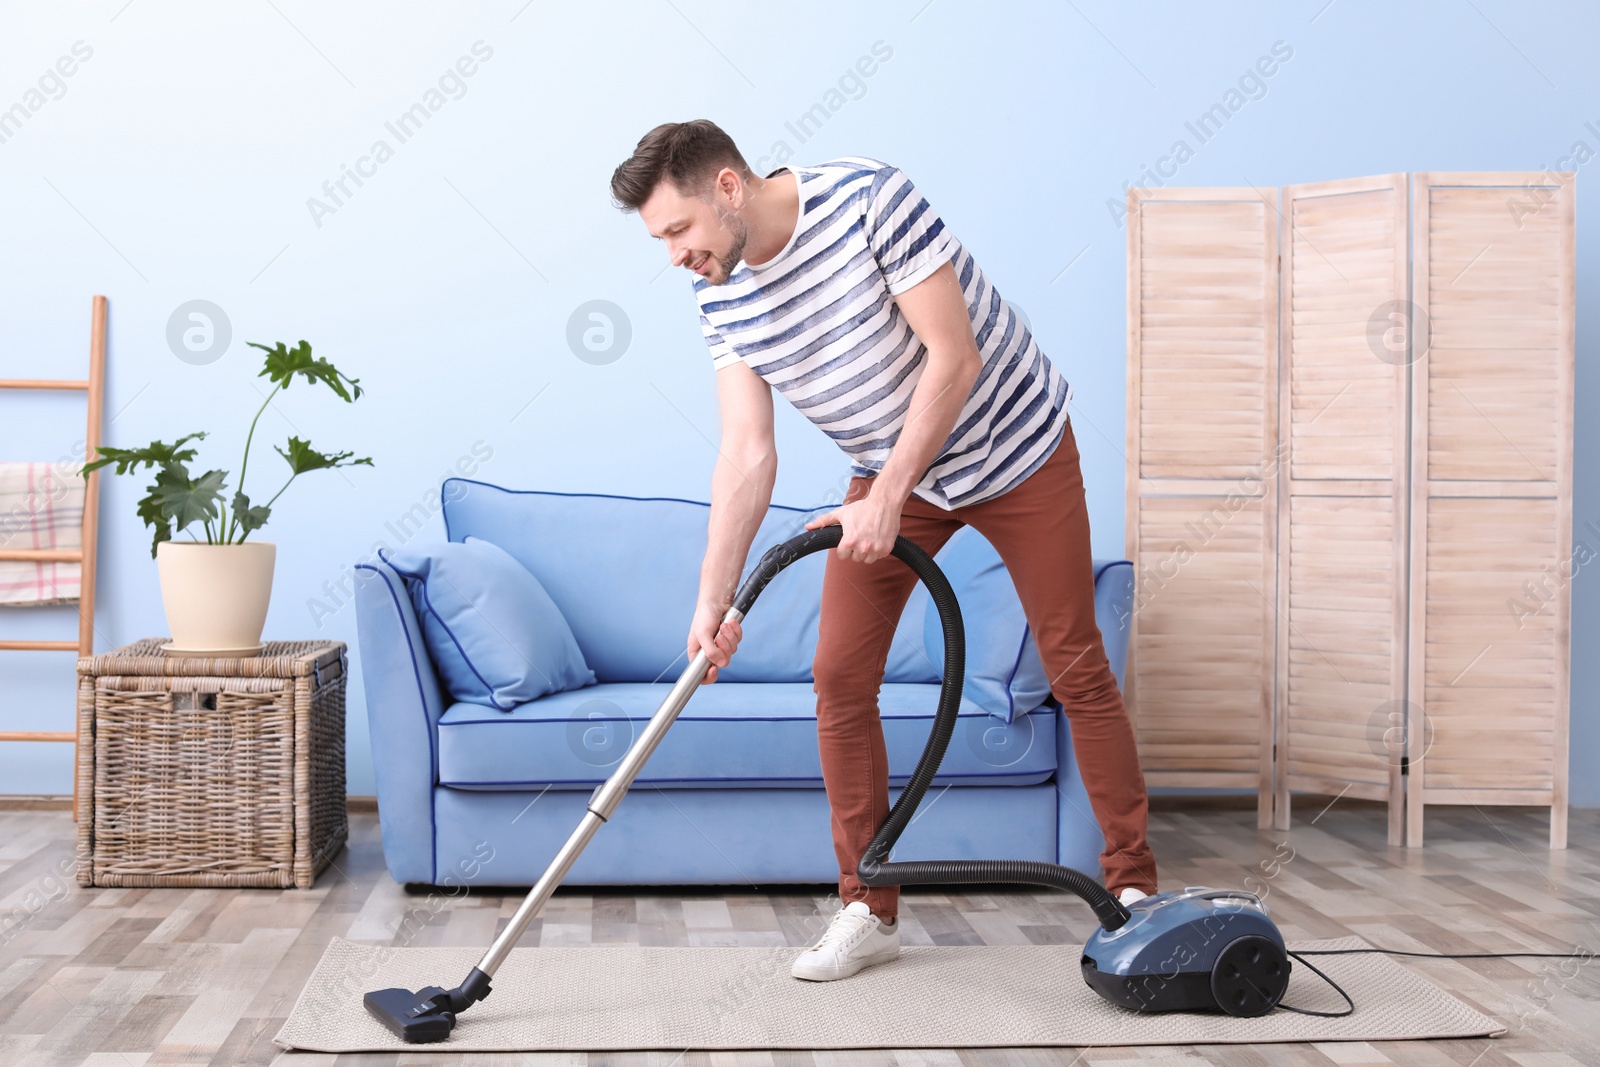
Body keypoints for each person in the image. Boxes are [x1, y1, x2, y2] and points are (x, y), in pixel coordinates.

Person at [610, 119, 1157, 982]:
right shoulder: (716, 289)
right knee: (839, 675)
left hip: (1016, 447)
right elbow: (748, 451)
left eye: (677, 230)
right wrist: (712, 599)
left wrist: (890, 498)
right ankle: (869, 905)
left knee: (1073, 660)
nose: (675, 254)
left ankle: (1135, 891)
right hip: (891, 468)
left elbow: (955, 354)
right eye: (660, 241)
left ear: (727, 187)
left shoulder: (868, 199)